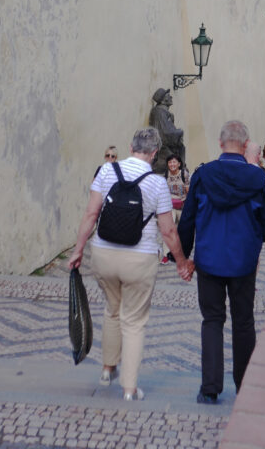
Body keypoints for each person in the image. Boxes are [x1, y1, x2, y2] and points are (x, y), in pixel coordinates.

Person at [68, 127, 193, 402]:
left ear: (130, 147)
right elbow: (169, 231)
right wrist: (181, 262)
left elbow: (91, 214)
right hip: (139, 258)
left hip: (103, 254)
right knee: (134, 321)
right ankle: (129, 388)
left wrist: (78, 251)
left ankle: (106, 369)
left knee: (112, 309)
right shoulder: (156, 183)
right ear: (155, 153)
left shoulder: (106, 172)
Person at [178, 120, 265, 405]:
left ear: (221, 143)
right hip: (244, 262)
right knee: (244, 322)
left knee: (212, 320)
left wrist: (184, 257)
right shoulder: (259, 179)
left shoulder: (202, 175)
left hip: (209, 260)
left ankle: (209, 388)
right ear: (246, 145)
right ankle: (244, 385)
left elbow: (187, 220)